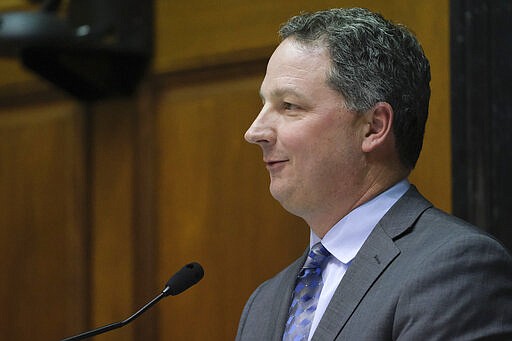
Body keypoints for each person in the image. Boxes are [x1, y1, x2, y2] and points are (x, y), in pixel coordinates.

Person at [236, 7, 512, 341]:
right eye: (263, 105)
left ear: (373, 127)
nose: (255, 131)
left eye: (289, 106)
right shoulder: (264, 302)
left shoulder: (456, 269)